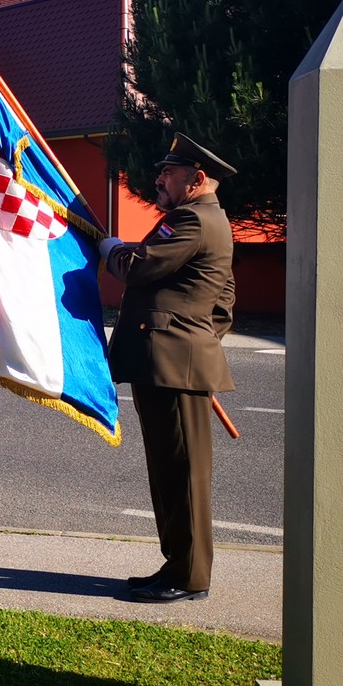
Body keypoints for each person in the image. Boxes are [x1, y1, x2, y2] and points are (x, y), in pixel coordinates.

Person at [100, 133, 236, 603]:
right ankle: (177, 564)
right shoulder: (209, 221)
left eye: (169, 173)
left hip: (173, 367)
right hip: (173, 363)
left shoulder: (192, 220)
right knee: (170, 471)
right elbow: (224, 302)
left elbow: (138, 267)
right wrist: (198, 340)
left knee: (183, 474)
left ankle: (189, 576)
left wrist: (112, 249)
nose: (159, 179)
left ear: (196, 180)